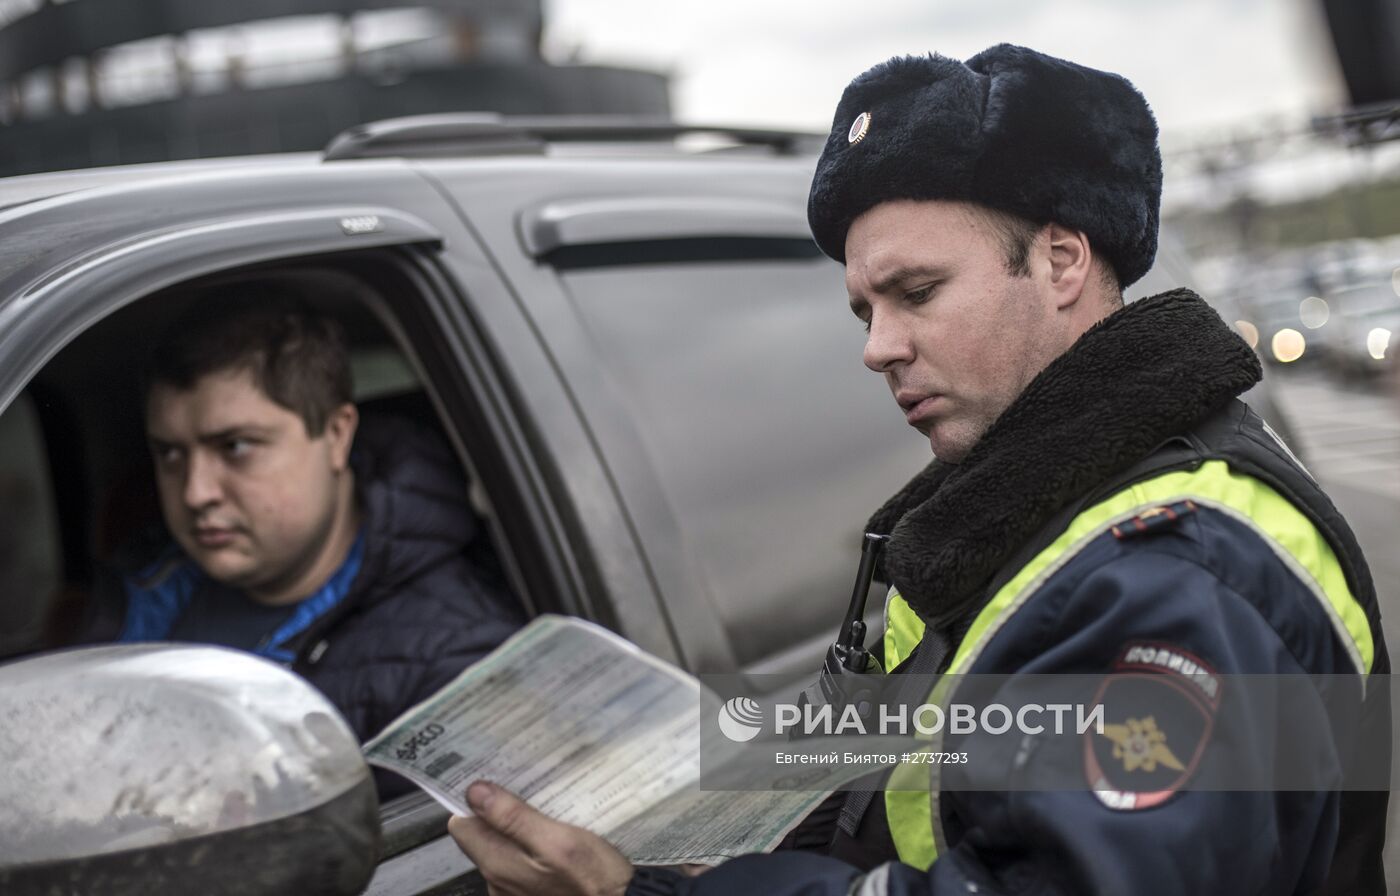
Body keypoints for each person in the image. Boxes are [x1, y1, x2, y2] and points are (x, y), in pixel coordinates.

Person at [446, 45, 1391, 894]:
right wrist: (676, 822)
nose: (878, 348)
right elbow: (882, 780)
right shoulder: (1002, 513)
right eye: (865, 311)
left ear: (1062, 260)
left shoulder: (1179, 573)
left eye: (918, 293)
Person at [82, 287, 523, 795]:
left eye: (237, 446)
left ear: (336, 435)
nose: (196, 491)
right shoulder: (143, 585)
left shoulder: (454, 664)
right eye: (170, 454)